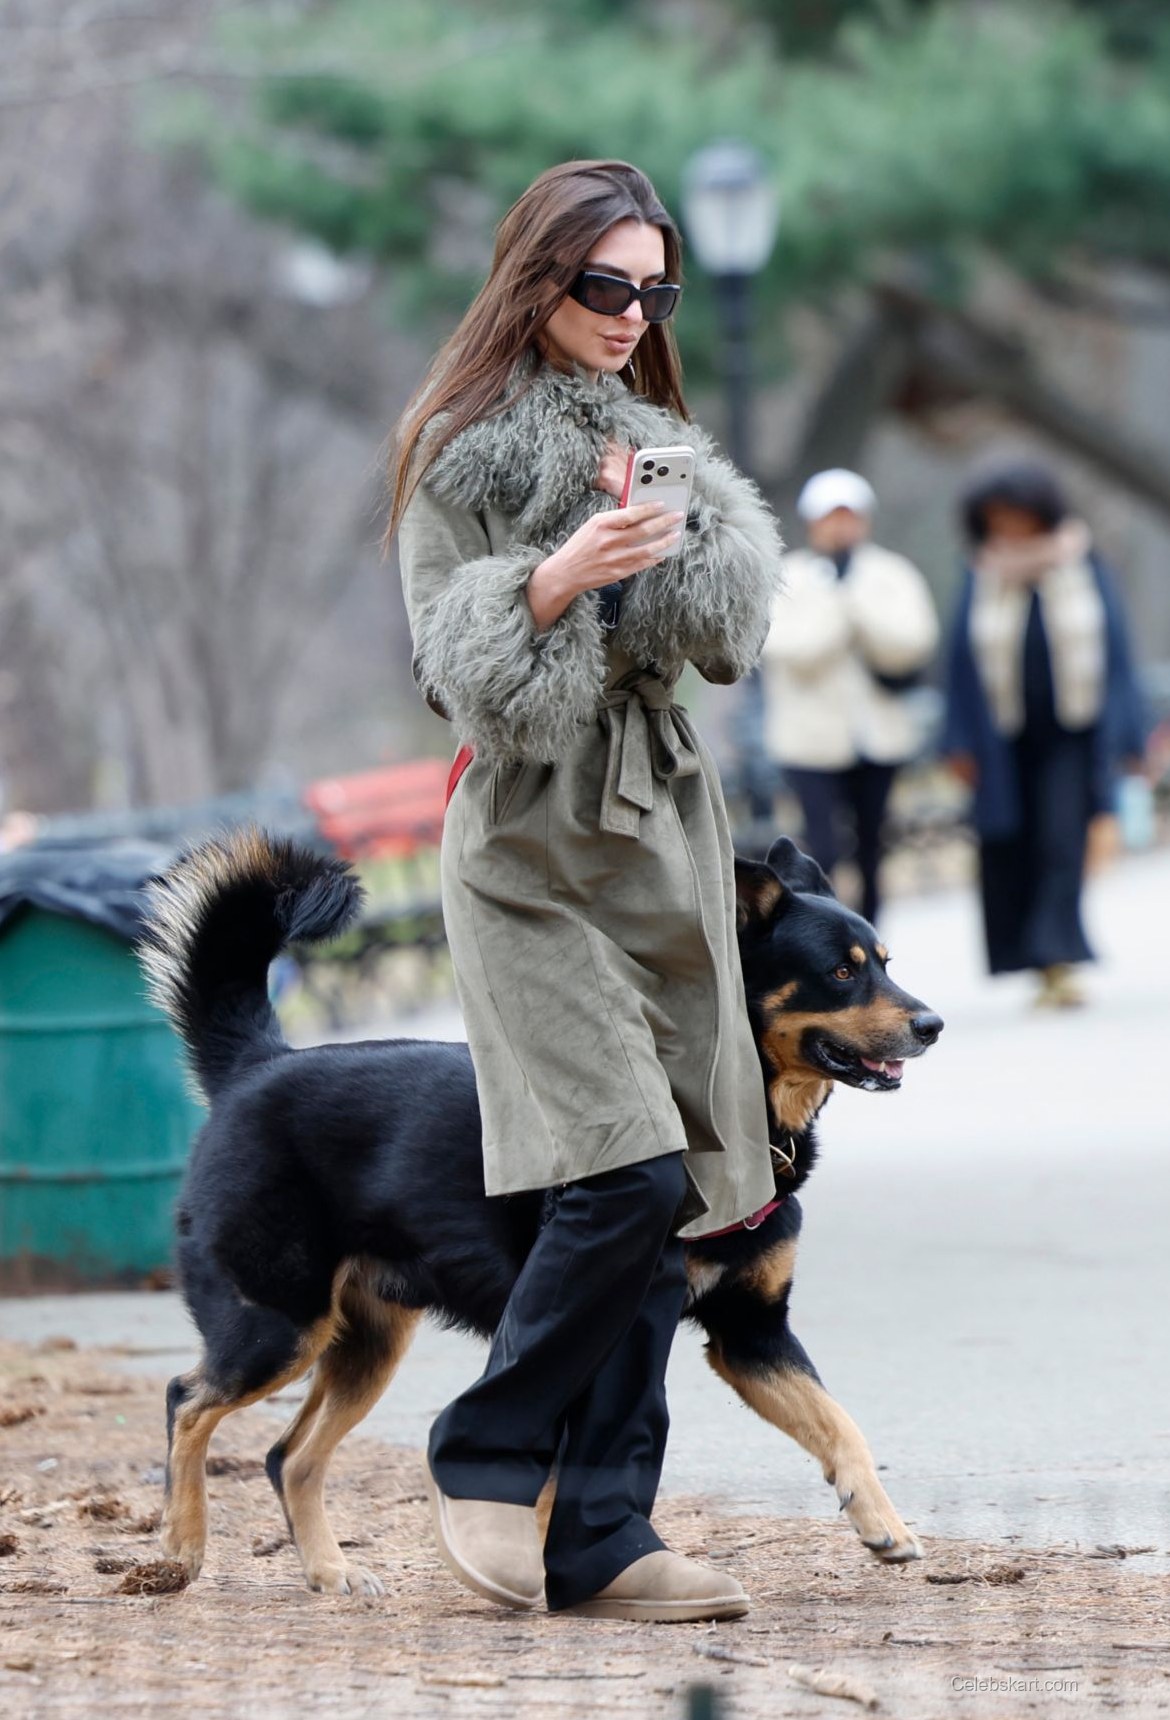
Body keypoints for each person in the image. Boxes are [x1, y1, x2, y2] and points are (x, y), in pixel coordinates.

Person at [388, 160, 783, 1623]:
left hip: (660, 836)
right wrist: (553, 582)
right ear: (535, 275)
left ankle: (606, 1529)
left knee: (668, 1187)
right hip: (531, 846)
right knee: (615, 1164)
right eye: (604, 283)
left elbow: (725, 646)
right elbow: (454, 672)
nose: (630, 313)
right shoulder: (458, 449)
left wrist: (692, 556)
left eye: (653, 290)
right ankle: (485, 1447)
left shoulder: (659, 438)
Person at [942, 459, 1147, 1007]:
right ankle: (1034, 959)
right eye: (998, 518)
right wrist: (957, 740)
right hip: (1002, 742)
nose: (1009, 527)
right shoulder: (981, 572)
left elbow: (1118, 655)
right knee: (1014, 843)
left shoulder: (1084, 564)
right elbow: (959, 664)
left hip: (1073, 737)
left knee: (1062, 841)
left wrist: (1132, 736)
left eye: (1018, 516)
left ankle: (1057, 955)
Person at [758, 468, 939, 922]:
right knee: (820, 846)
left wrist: (854, 605)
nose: (840, 527)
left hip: (878, 736)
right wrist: (840, 611)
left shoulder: (891, 573)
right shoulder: (788, 577)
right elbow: (786, 648)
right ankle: (826, 930)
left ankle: (871, 933)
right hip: (808, 740)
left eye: (849, 516)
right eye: (830, 517)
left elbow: (913, 642)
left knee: (874, 843)